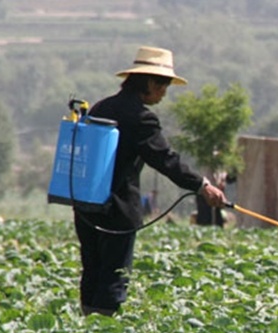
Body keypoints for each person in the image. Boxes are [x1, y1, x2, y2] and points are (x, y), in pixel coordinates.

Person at [75, 46, 226, 317]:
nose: (164, 93)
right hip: (117, 210)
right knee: (113, 276)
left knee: (93, 271)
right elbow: (165, 159)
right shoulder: (141, 117)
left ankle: (87, 329)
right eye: (163, 87)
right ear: (150, 83)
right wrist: (202, 186)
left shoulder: (101, 107)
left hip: (86, 206)